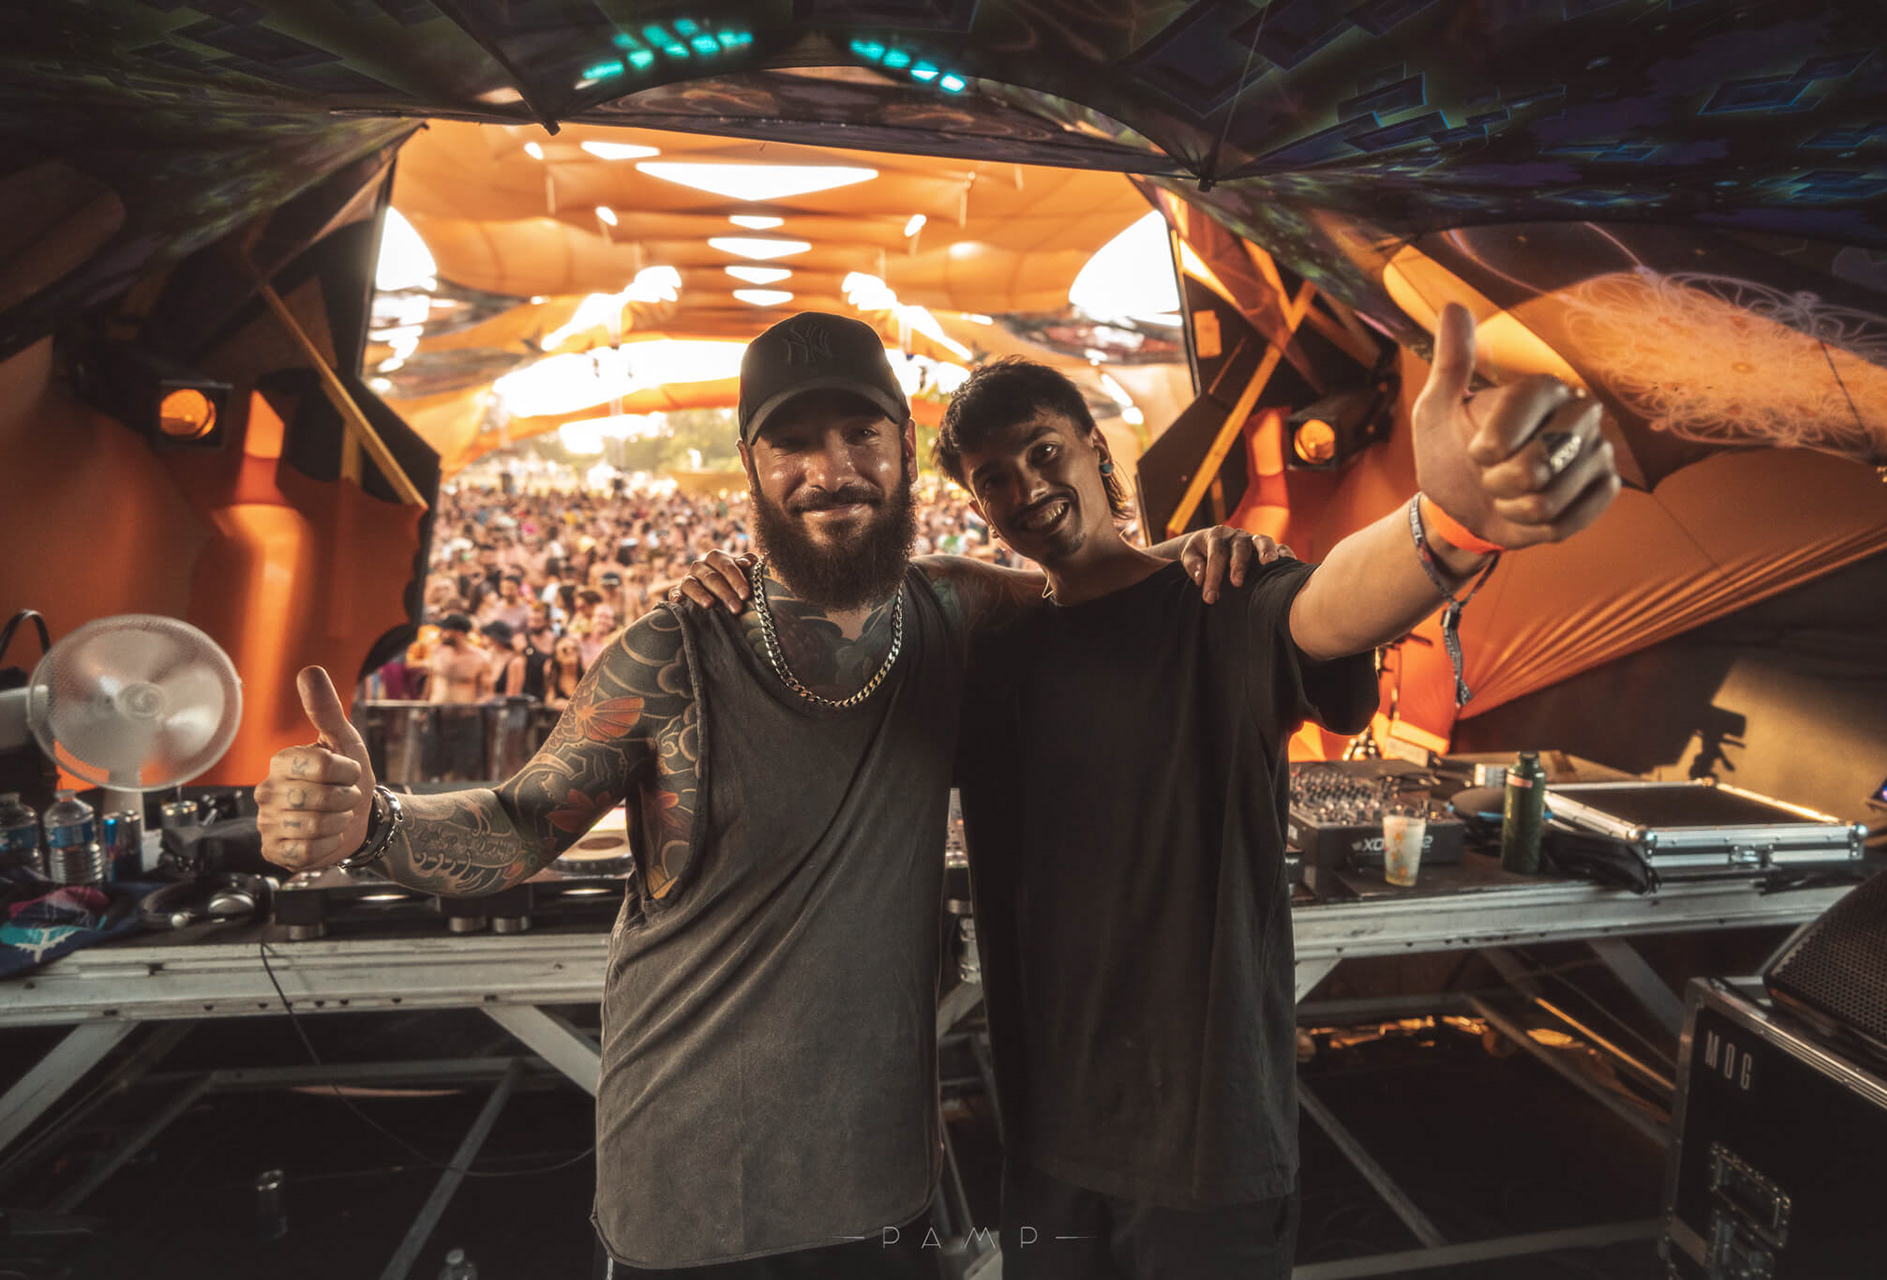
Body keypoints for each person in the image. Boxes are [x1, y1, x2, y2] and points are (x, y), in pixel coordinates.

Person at [255, 312, 1262, 1278]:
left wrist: (1205, 554)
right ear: (752, 465)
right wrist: (374, 821)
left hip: (880, 1186)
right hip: (689, 1192)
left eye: (861, 432)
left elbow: (1094, 582)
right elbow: (520, 824)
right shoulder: (674, 647)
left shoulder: (959, 609)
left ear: (905, 450)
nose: (833, 468)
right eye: (794, 442)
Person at [925, 304, 1620, 1280]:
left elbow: (1328, 607)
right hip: (1047, 1137)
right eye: (993, 478)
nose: (1026, 488)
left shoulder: (1216, 598)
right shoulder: (994, 653)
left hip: (1205, 1144)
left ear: (1093, 447)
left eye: (1043, 453)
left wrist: (1449, 526)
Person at [424, 615, 489, 704]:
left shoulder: (480, 658)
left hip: (464, 710)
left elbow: (487, 693)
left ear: (459, 633)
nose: (441, 634)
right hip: (436, 709)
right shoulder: (437, 652)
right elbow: (430, 682)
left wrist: (477, 706)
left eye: (445, 630)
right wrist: (423, 705)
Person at [480, 620, 526, 698]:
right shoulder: (489, 654)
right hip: (487, 701)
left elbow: (512, 694)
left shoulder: (515, 661)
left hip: (502, 702)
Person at [545, 634, 584, 706]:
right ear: (556, 656)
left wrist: (567, 704)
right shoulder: (553, 674)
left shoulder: (587, 674)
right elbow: (549, 701)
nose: (570, 652)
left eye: (574, 649)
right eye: (565, 650)